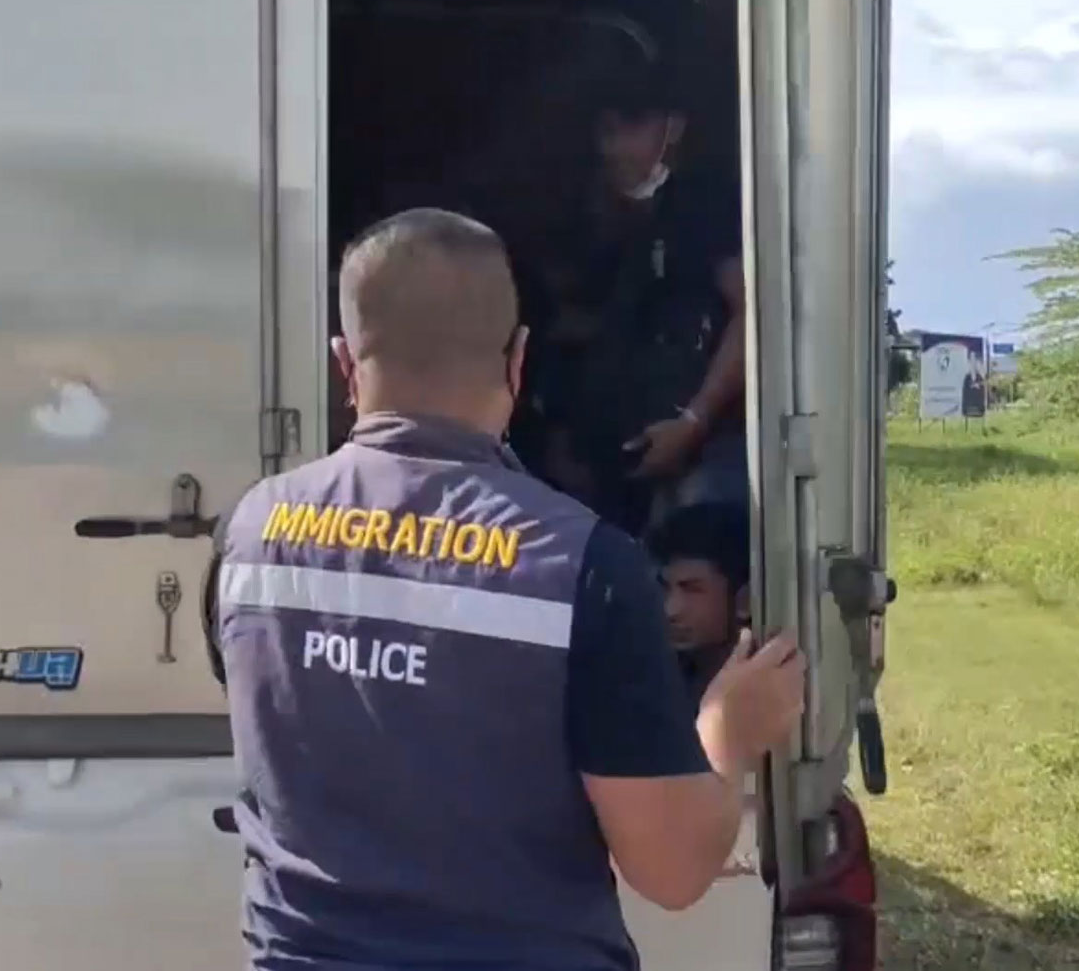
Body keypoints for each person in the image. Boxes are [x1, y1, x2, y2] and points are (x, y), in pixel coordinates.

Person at [203, 208, 804, 969]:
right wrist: (727, 731)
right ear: (519, 362)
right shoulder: (585, 566)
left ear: (343, 364)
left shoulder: (248, 533)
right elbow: (675, 870)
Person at [538, 61, 748, 536]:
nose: (612, 149)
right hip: (615, 468)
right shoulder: (610, 224)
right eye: (605, 132)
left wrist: (693, 423)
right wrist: (563, 435)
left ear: (673, 128)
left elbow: (749, 313)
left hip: (700, 461)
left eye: (629, 130)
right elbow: (585, 328)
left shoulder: (703, 207)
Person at [649, 501, 753, 711]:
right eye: (665, 588)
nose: (670, 611)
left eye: (692, 590)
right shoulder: (658, 686)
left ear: (744, 600)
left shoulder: (769, 691)